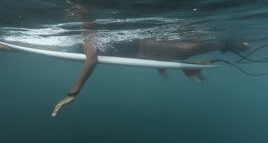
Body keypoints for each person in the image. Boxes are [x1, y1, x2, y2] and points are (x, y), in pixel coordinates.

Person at [50, 37, 250, 117]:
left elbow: (91, 59)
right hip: (145, 53)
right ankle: (187, 66)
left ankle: (229, 45)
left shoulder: (87, 40)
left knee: (187, 50)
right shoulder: (81, 43)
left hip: (145, 48)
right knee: (182, 52)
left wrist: (72, 93)